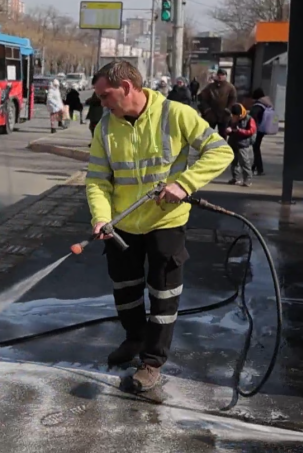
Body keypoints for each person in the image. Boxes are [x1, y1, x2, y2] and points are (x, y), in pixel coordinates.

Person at [86, 61, 234, 392]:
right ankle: (134, 339)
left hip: (166, 221)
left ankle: (152, 362)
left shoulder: (176, 115)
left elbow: (220, 152)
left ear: (126, 88)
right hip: (121, 223)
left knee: (163, 292)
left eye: (106, 96)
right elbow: (97, 179)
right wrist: (100, 216)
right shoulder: (106, 127)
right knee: (125, 290)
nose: (102, 103)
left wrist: (184, 184)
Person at [224, 103, 257, 187]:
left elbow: (251, 131)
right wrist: (228, 130)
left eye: (236, 116)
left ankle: (247, 179)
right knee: (234, 162)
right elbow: (228, 127)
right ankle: (236, 178)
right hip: (233, 142)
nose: (234, 117)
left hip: (243, 144)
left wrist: (239, 131)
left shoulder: (249, 119)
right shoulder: (232, 118)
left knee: (244, 162)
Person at [248, 88, 272, 176]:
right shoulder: (266, 103)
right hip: (263, 128)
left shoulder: (258, 105)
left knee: (256, 148)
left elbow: (252, 117)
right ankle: (255, 167)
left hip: (257, 129)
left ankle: (259, 169)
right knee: (256, 147)